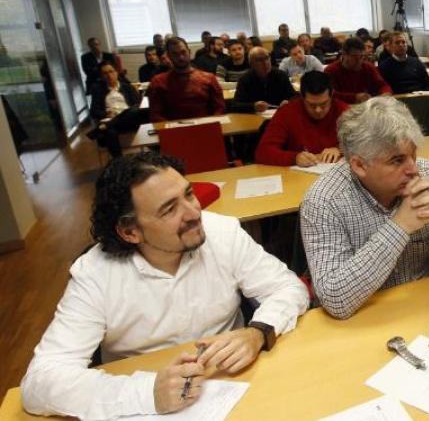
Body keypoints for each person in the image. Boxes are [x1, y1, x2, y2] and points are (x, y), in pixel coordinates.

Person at [20, 152, 308, 419]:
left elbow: (288, 288)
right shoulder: (95, 274)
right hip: (146, 404)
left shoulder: (222, 231)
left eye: (188, 194)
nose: (194, 213)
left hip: (238, 382)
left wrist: (257, 332)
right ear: (130, 231)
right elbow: (40, 382)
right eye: (169, 209)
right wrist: (146, 393)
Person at [301, 97, 429, 319]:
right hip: (360, 320)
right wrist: (400, 226)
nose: (413, 169)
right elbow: (335, 299)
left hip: (421, 308)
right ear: (359, 165)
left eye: (413, 154)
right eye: (397, 160)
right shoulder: (323, 201)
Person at [255, 71, 348, 167]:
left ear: (331, 94)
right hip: (298, 176)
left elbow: (362, 146)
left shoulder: (344, 111)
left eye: (324, 104)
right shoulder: (287, 113)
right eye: (312, 105)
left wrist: (341, 150)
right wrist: (295, 158)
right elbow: (263, 152)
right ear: (302, 97)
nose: (318, 110)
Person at [147, 37, 226, 122]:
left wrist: (211, 124)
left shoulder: (209, 78)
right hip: (173, 130)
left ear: (189, 52)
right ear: (169, 56)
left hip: (205, 127)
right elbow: (155, 115)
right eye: (175, 54)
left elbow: (220, 108)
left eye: (183, 52)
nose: (180, 57)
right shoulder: (158, 82)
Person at [89, 61, 145, 157]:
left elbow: (138, 106)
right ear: (101, 76)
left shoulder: (128, 87)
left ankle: (106, 126)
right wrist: (106, 113)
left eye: (111, 71)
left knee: (134, 110)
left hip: (130, 120)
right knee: (110, 132)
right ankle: (119, 162)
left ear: (116, 72)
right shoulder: (98, 90)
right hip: (112, 122)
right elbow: (93, 111)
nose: (109, 75)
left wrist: (125, 114)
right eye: (105, 73)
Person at [325, 37, 392, 104]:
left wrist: (385, 93)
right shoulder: (331, 70)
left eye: (362, 56)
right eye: (355, 57)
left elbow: (383, 85)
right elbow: (329, 95)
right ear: (344, 54)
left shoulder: (368, 67)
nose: (359, 61)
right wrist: (354, 98)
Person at [233, 47, 296, 114]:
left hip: (280, 115)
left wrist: (288, 102)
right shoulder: (245, 79)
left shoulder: (280, 75)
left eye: (267, 58)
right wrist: (253, 106)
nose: (265, 63)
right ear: (251, 64)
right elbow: (235, 105)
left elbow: (294, 96)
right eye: (260, 60)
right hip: (255, 118)